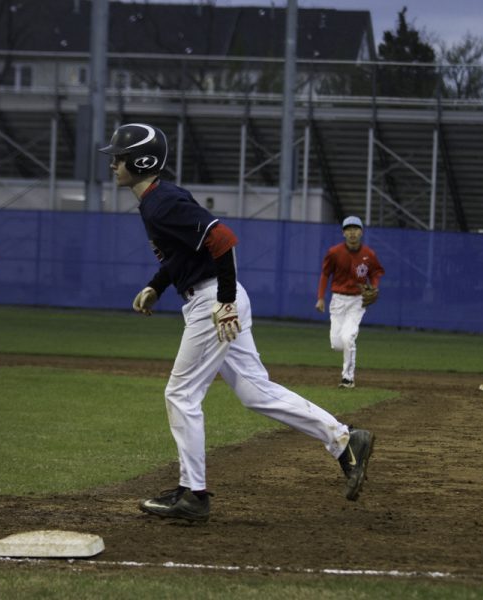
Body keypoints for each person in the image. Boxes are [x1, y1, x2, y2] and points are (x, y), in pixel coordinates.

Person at [99, 123, 375, 523]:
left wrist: (225, 302)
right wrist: (157, 284)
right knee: (254, 391)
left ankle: (193, 494)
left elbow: (223, 239)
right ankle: (345, 440)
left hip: (214, 301)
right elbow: (184, 253)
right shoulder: (156, 201)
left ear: (141, 161)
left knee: (180, 395)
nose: (113, 163)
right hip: (213, 297)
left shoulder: (162, 202)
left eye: (118, 157)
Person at [315, 216, 385, 389]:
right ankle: (347, 360)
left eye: (356, 229)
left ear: (361, 232)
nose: (352, 232)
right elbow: (325, 274)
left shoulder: (369, 254)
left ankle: (348, 378)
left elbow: (376, 272)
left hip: (357, 300)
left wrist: (374, 287)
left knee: (348, 338)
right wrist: (321, 298)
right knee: (337, 344)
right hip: (337, 300)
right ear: (343, 233)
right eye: (349, 229)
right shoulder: (334, 252)